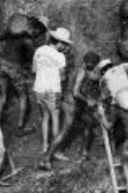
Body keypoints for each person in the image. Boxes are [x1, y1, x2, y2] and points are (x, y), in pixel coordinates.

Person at [42, 52, 110, 168]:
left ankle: (84, 154)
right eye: (94, 65)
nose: (95, 67)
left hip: (75, 105)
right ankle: (46, 159)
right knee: (64, 132)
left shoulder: (83, 70)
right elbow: (75, 92)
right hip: (70, 105)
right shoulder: (81, 72)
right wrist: (88, 100)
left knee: (88, 123)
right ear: (90, 63)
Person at [31, 28, 70, 156]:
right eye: (64, 44)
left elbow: (34, 70)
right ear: (59, 42)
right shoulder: (60, 56)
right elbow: (63, 77)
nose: (65, 47)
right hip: (53, 90)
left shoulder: (39, 50)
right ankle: (56, 150)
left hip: (39, 89)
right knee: (55, 118)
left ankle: (44, 146)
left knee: (45, 117)